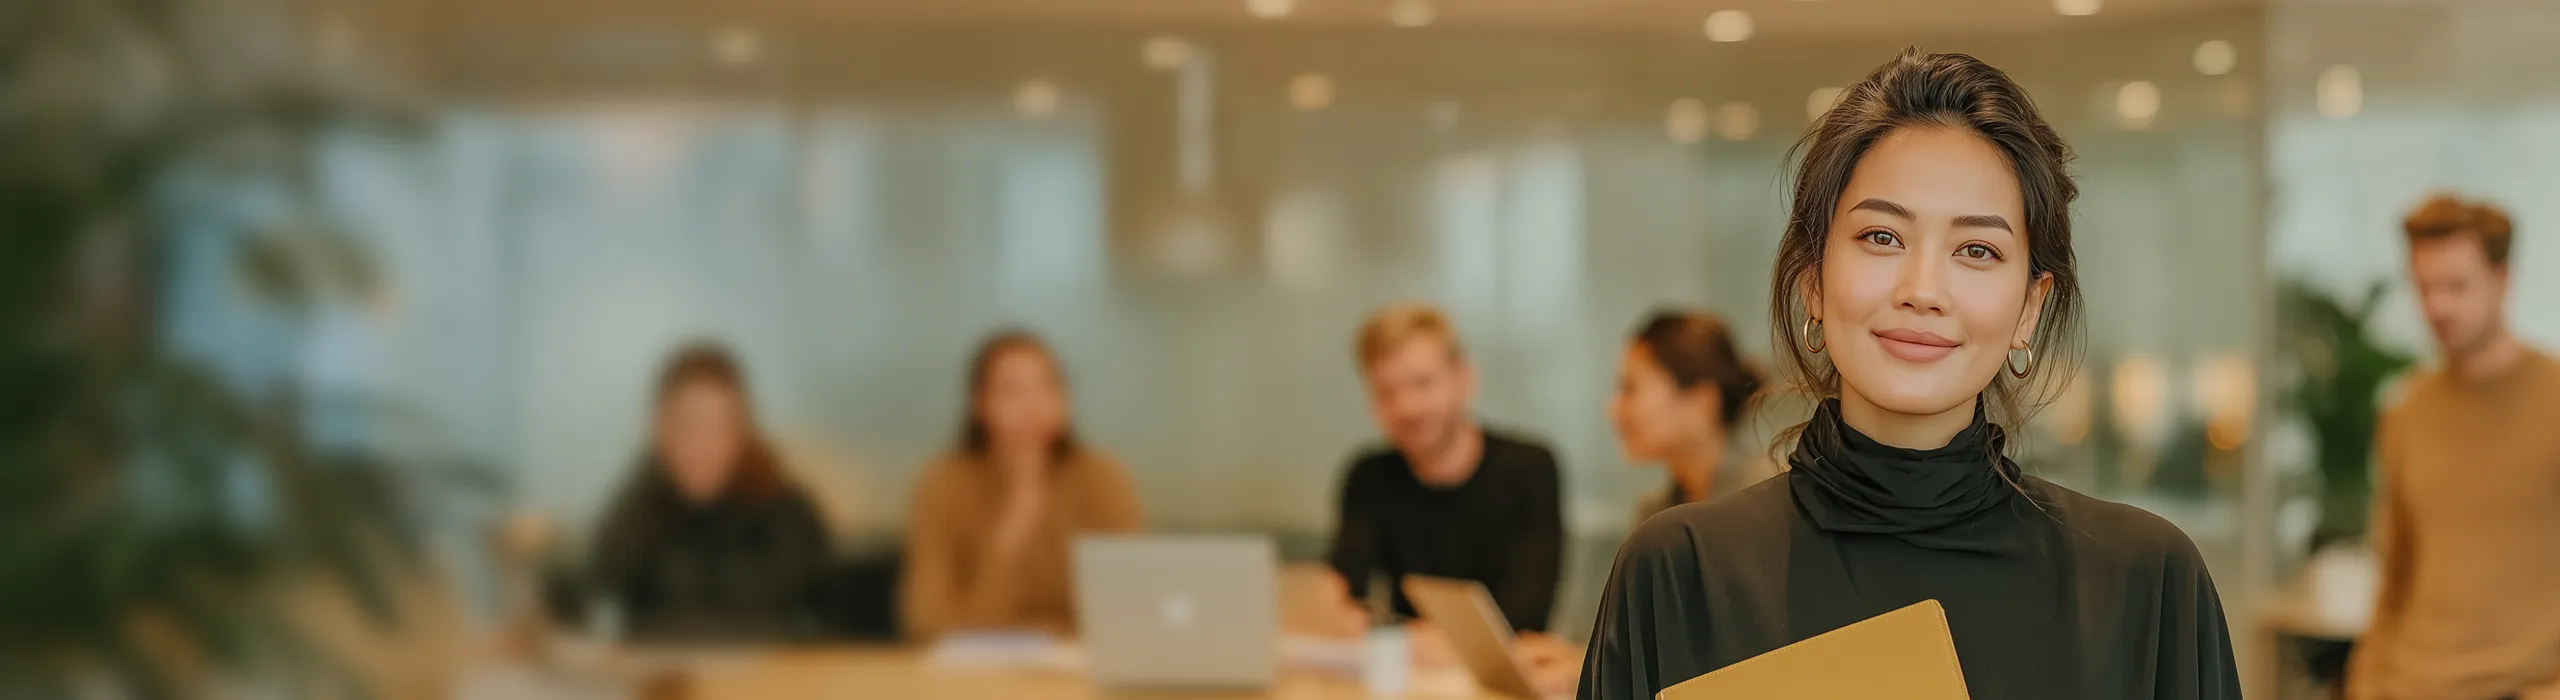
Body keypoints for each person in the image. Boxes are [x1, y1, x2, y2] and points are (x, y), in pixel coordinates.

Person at [1577, 49, 2240, 699]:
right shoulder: (1678, 574)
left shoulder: (2144, 584)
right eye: (1881, 238)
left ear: (2028, 308)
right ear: (1813, 281)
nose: (1923, 289)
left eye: (1976, 249)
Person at [2346, 195, 2560, 700]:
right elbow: (2395, 575)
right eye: (2423, 287)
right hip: (2410, 684)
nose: (2437, 306)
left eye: (2456, 286)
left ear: (2503, 280)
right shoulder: (2405, 411)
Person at [1325, 303, 1565, 637]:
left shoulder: (1528, 469)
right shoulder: (1370, 476)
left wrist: (1398, 635)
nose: (1406, 407)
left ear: (1464, 379)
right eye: (1386, 392)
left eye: (1422, 384)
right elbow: (1343, 593)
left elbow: (1525, 614)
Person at [902, 330, 1144, 640]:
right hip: (973, 676)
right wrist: (1013, 530)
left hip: (1075, 668)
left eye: (1049, 386)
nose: (1035, 404)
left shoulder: (1102, 477)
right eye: (1013, 391)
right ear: (980, 404)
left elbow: (1130, 606)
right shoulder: (942, 483)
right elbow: (928, 622)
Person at [590, 342, 833, 640]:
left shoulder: (787, 514)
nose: (703, 445)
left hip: (768, 680)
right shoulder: (638, 512)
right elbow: (599, 601)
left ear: (743, 429)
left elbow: (820, 623)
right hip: (666, 680)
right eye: (689, 426)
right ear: (660, 428)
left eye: (719, 426)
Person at [1609, 309, 1770, 524]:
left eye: (1630, 389)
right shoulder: (1653, 513)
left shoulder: (1767, 496)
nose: (1613, 409)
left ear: (1701, 402)